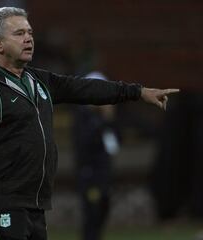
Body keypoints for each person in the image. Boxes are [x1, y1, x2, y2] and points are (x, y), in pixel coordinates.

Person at [0, 7, 179, 240]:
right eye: (19, 33)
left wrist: (138, 92)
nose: (29, 38)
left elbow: (86, 88)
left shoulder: (38, 80)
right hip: (2, 203)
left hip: (35, 204)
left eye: (29, 32)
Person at [72, 71, 119, 240]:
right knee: (92, 213)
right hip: (89, 173)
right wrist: (104, 121)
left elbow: (114, 143)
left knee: (103, 210)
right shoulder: (82, 116)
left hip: (103, 173)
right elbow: (85, 143)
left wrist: (109, 120)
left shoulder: (104, 115)